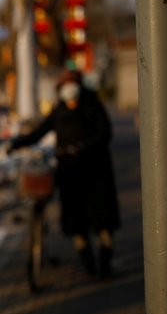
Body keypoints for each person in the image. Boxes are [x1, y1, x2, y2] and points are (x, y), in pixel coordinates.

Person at [8, 68, 120, 279]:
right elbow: (40, 131)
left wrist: (83, 147)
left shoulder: (93, 105)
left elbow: (105, 133)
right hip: (69, 174)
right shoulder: (59, 110)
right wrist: (17, 143)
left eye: (72, 84)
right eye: (65, 85)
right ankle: (89, 266)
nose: (69, 89)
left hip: (97, 172)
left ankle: (106, 264)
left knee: (103, 220)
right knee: (76, 221)